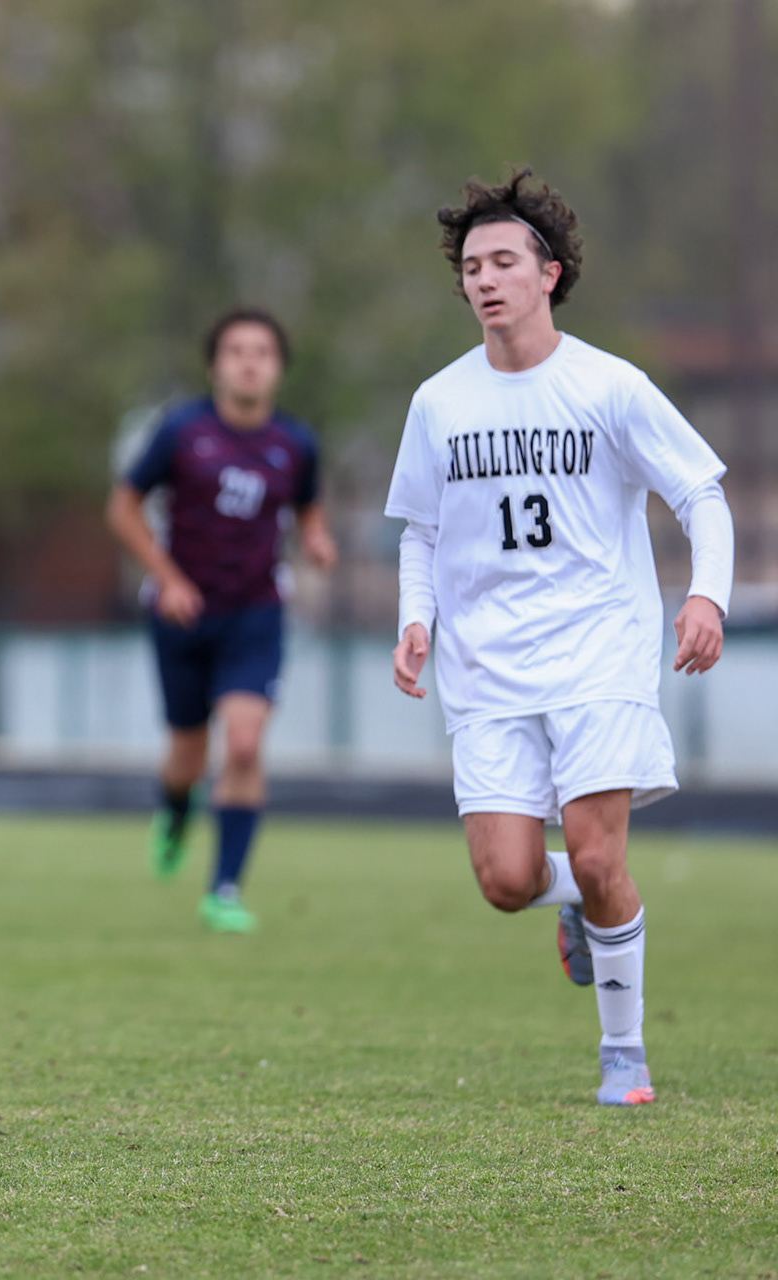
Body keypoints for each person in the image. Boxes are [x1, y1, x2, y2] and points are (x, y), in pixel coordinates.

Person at [385, 168, 734, 1106]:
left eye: (504, 260)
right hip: (485, 667)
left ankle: (624, 1055)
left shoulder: (609, 386)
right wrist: (416, 619)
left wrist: (707, 597)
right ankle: (576, 908)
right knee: (504, 880)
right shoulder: (439, 404)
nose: (485, 279)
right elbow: (419, 530)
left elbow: (700, 491)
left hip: (598, 652)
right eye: (471, 265)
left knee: (596, 852)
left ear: (549, 274)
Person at [106, 308, 337, 933]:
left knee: (243, 743)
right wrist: (170, 577)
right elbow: (123, 508)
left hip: (255, 613)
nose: (249, 361)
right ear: (215, 364)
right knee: (187, 753)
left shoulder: (296, 444)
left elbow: (309, 510)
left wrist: (317, 540)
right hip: (182, 615)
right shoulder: (181, 432)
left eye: (262, 351)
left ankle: (224, 890)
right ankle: (176, 810)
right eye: (236, 350)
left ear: (279, 368)